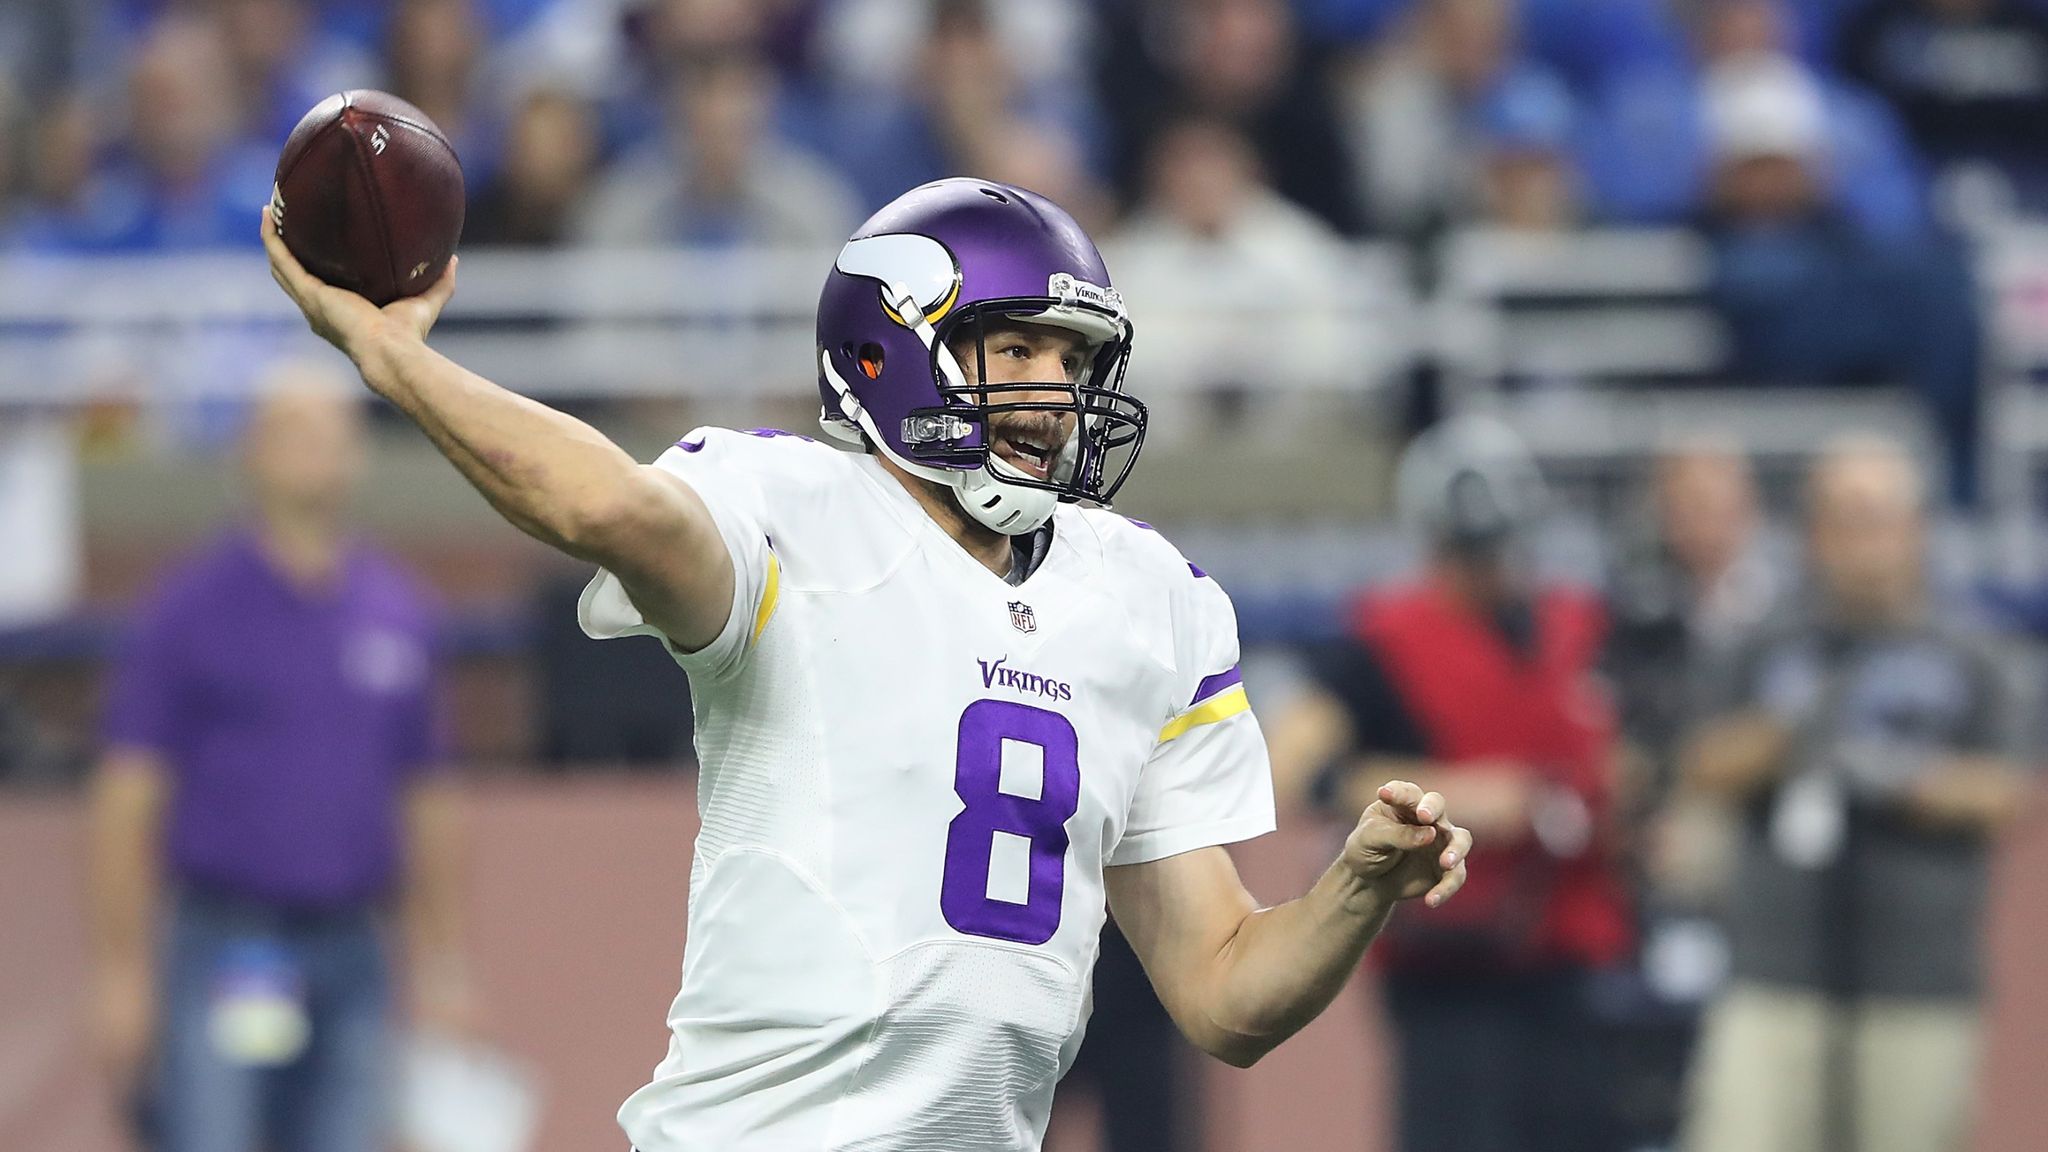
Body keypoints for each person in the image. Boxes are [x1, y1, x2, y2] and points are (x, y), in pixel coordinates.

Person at [261, 176, 1474, 1151]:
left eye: (1071, 360)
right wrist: (398, 364)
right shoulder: (792, 509)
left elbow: (1223, 996)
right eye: (1020, 351)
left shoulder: (1147, 600)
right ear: (898, 350)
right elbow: (607, 509)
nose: (1055, 393)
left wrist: (1354, 887)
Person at [88, 366, 471, 1152]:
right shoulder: (192, 609)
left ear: (359, 454)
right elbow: (128, 793)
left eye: (331, 433)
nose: (315, 453)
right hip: (238, 947)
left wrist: (441, 959)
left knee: (344, 1136)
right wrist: (122, 968)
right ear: (251, 453)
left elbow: (427, 797)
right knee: (220, 1134)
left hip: (354, 945)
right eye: (293, 432)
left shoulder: (396, 611)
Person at [1266, 416, 1633, 1152]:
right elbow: (1291, 766)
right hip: (1450, 964)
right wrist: (1448, 792)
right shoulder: (1381, 642)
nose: (1487, 569)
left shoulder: (1579, 626)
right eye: (1467, 551)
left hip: (1570, 955)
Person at [1680, 437, 2035, 1152]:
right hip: (1775, 971)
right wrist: (1791, 734)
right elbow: (1703, 763)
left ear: (1916, 529)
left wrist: (1902, 776)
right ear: (1812, 532)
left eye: (1878, 517)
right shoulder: (1767, 638)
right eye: (1842, 518)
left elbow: (2008, 790)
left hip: (1918, 979)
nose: (1862, 541)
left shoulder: (1969, 646)